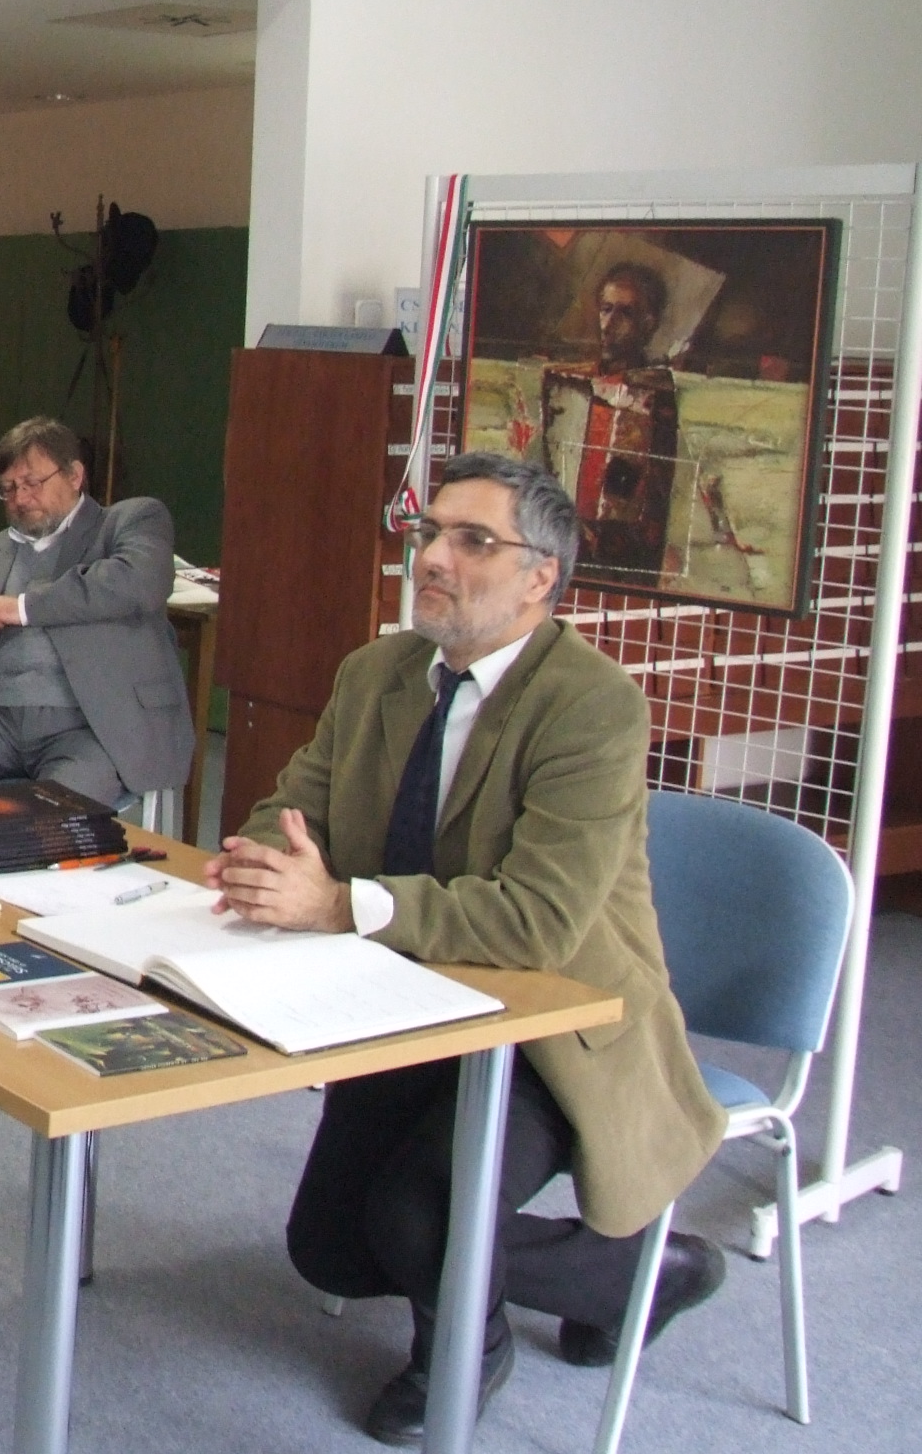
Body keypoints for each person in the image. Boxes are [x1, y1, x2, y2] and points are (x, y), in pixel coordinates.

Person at [205, 451, 726, 1446]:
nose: (434, 557)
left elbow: (538, 922)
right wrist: (263, 863)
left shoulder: (592, 704)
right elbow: (294, 807)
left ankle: (506, 1330)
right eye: (430, 532)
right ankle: (609, 1275)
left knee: (418, 1217)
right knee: (330, 1251)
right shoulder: (377, 673)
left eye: (472, 540)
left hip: (553, 1023)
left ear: (540, 577)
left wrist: (338, 904)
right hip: (403, 999)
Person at [0, 416, 192, 818]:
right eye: (8, 488)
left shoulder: (129, 522)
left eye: (32, 483)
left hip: (88, 722)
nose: (20, 498)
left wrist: (23, 607)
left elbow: (137, 582)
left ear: (75, 476)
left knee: (50, 814)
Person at [537, 262, 680, 581]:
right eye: (606, 309)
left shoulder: (655, 392)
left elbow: (649, 496)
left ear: (648, 323)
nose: (609, 323)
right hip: (566, 545)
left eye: (625, 313)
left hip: (620, 554)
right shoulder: (571, 382)